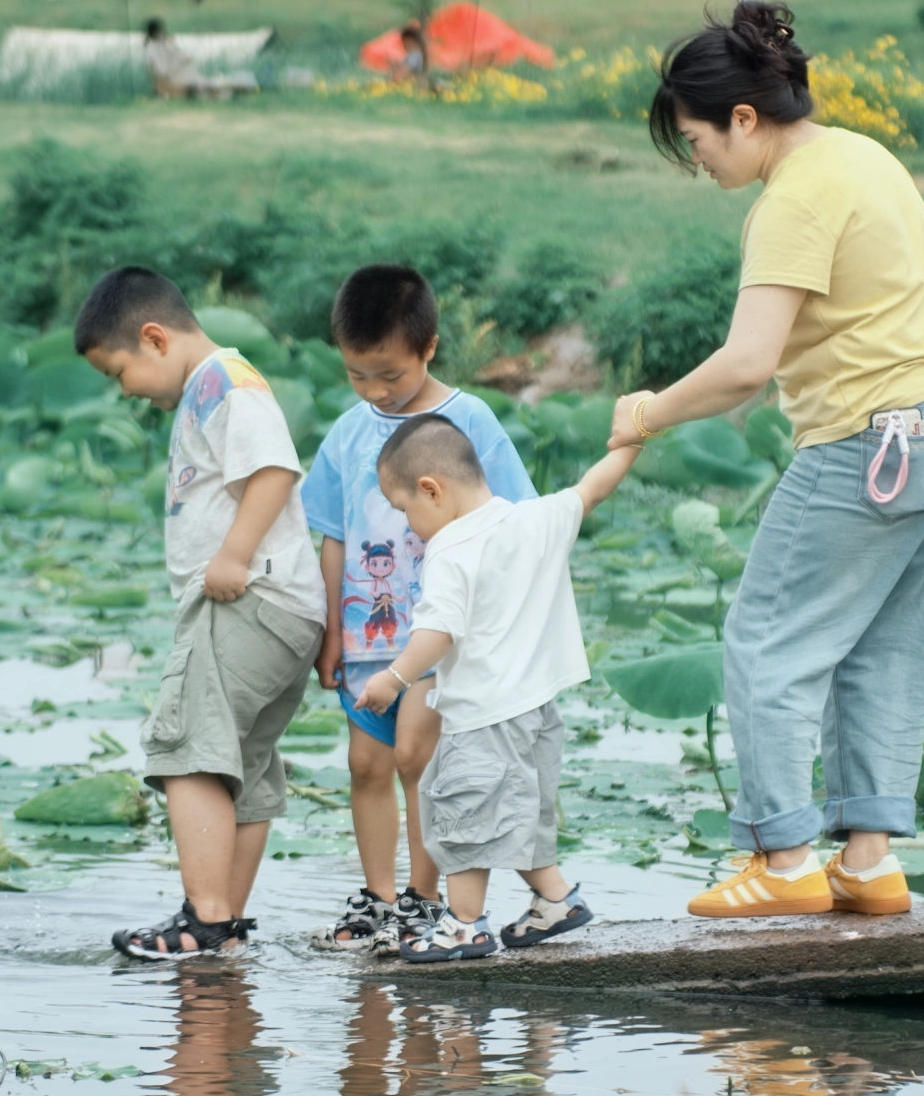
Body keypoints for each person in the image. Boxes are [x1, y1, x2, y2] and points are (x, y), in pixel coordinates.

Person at [609, 0, 924, 923]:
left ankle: (783, 857)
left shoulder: (792, 199)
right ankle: (866, 861)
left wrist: (646, 414)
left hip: (875, 442)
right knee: (886, 648)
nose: (699, 164)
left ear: (743, 118)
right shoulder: (861, 154)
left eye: (698, 141)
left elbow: (746, 367)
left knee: (765, 642)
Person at [75, 265, 326, 959]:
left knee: (183, 753)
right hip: (281, 610)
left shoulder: (225, 384)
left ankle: (203, 920)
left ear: (153, 339)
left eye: (117, 371)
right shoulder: (210, 389)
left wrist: (233, 557)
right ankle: (224, 926)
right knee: (236, 766)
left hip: (249, 599)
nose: (123, 390)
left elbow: (273, 470)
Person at [299, 264, 535, 954]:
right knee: (366, 765)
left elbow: (510, 522)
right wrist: (329, 631)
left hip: (438, 635)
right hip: (366, 631)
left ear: (428, 347)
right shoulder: (347, 432)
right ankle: (377, 898)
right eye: (358, 375)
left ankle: (423, 900)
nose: (376, 392)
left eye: (391, 376)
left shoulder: (470, 421)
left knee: (416, 759)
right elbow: (334, 533)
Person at [354, 414, 636, 962]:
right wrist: (635, 437)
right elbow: (593, 487)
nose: (409, 526)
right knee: (522, 816)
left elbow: (438, 632)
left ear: (432, 490)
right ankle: (556, 900)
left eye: (405, 509)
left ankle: (464, 925)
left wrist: (393, 678)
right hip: (537, 711)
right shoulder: (536, 518)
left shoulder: (452, 551)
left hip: (482, 715)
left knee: (460, 819)